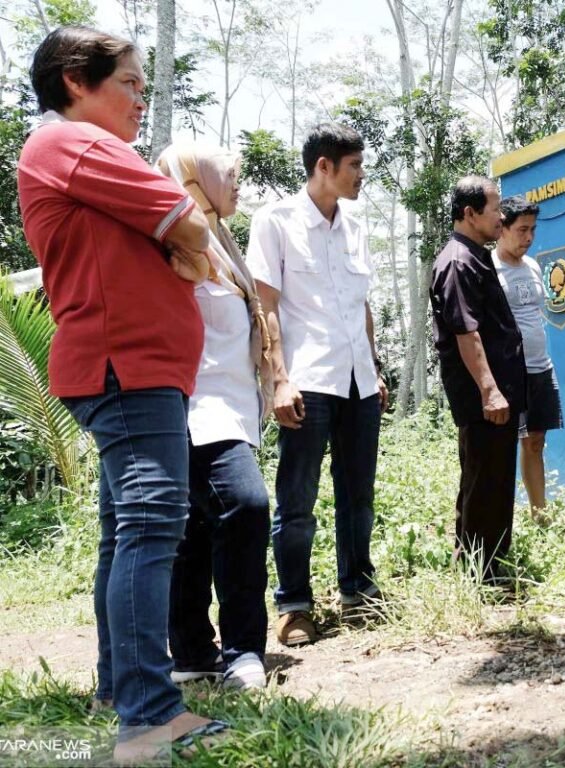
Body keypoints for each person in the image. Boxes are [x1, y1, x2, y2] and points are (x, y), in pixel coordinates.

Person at [17, 25, 227, 762]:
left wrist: (180, 244)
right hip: (125, 364)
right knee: (152, 524)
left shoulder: (81, 154)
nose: (142, 99)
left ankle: (120, 685)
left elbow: (188, 248)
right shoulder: (77, 144)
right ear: (78, 79)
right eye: (132, 83)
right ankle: (147, 715)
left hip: (132, 365)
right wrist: (181, 235)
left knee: (127, 528)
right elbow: (191, 225)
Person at [247, 122, 387, 647]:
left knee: (359, 495)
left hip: (358, 382)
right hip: (307, 381)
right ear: (323, 167)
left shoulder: (356, 223)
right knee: (298, 498)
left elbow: (362, 303)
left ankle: (357, 591)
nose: (361, 175)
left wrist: (372, 368)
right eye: (354, 166)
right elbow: (266, 306)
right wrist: (278, 380)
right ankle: (294, 605)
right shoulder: (275, 221)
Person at [156, 143, 273, 690]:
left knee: (198, 528)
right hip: (190, 404)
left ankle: (193, 652)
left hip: (231, 406)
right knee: (247, 506)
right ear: (195, 179)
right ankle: (244, 650)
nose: (239, 185)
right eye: (230, 175)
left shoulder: (220, 246)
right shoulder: (166, 242)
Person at [430, 176, 526, 581]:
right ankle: (480, 572)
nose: (501, 216)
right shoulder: (457, 262)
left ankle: (485, 565)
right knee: (485, 480)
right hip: (483, 397)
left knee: (491, 476)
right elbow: (465, 333)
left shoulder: (475, 255)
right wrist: (489, 390)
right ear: (469, 214)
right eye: (494, 208)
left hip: (498, 394)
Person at [493, 195, 563, 516]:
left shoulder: (533, 266)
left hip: (541, 368)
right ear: (502, 228)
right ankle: (500, 518)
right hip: (510, 374)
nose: (529, 237)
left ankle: (540, 515)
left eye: (532, 230)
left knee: (537, 441)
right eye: (522, 230)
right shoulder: (489, 269)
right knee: (509, 444)